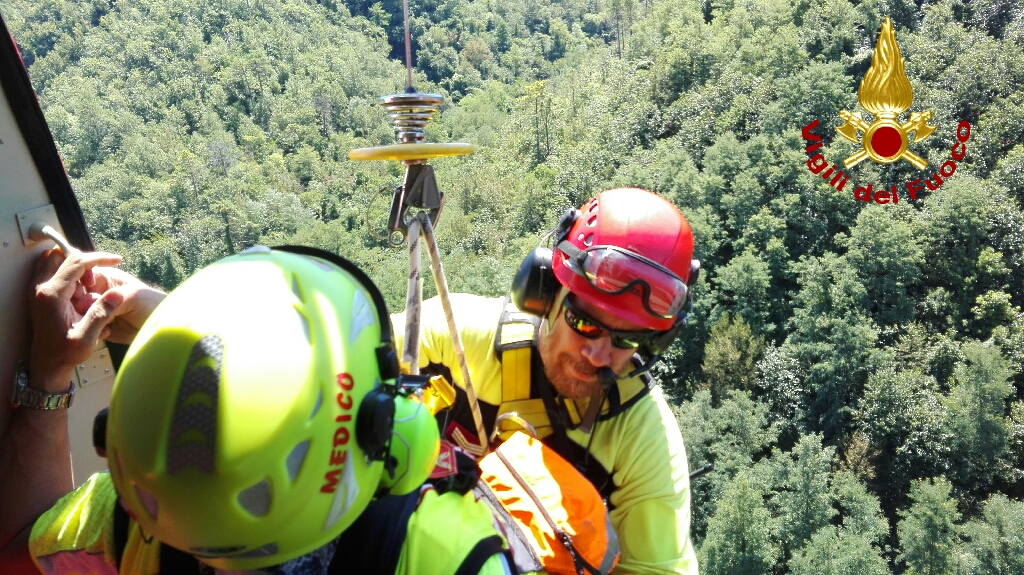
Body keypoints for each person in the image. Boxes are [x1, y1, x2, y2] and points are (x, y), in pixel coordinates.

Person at [0, 245, 512, 575]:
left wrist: (49, 374)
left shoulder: (143, 519)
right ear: (393, 433)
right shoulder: (441, 555)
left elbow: (18, 548)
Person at [393, 188, 700, 574]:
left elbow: (658, 569)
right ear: (546, 293)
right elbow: (343, 379)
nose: (598, 355)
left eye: (627, 340)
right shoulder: (452, 337)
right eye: (585, 323)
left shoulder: (639, 430)